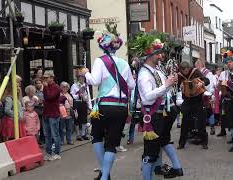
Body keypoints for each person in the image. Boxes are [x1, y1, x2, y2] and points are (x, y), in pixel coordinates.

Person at [83, 23, 135, 180]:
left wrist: (86, 73)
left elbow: (95, 81)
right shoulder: (125, 63)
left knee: (97, 137)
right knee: (112, 143)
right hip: (120, 108)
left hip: (103, 107)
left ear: (102, 46)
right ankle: (104, 176)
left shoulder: (100, 61)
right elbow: (132, 85)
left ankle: (104, 174)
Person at [134, 35, 182, 179]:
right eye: (157, 53)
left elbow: (162, 92)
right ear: (149, 55)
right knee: (150, 152)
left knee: (154, 149)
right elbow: (147, 97)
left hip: (160, 114)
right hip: (151, 116)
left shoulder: (156, 71)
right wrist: (167, 85)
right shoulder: (144, 74)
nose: (160, 56)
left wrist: (170, 83)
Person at [177, 61, 209, 150]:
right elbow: (177, 86)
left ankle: (204, 142)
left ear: (189, 68)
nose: (186, 73)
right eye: (184, 72)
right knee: (185, 122)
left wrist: (201, 83)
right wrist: (180, 87)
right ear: (181, 70)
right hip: (187, 100)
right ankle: (181, 143)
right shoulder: (180, 75)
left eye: (187, 71)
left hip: (198, 100)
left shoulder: (195, 71)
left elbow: (207, 80)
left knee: (201, 121)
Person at [42, 71, 61, 161]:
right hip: (46, 113)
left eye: (46, 78)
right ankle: (48, 153)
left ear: (52, 77)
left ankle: (57, 153)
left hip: (53, 114)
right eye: (44, 78)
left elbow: (49, 97)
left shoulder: (56, 87)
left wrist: (45, 87)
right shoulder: (46, 87)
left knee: (55, 135)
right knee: (47, 135)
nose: (44, 80)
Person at [194, 59, 216, 135]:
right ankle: (204, 128)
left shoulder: (207, 73)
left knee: (209, 111)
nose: (195, 67)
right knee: (207, 111)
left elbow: (210, 84)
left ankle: (211, 127)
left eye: (196, 66)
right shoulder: (200, 72)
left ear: (199, 65)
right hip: (202, 93)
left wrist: (208, 93)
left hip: (206, 94)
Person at [70, 70, 92, 141]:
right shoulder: (74, 85)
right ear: (77, 78)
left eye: (82, 77)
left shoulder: (86, 85)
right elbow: (72, 95)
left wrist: (89, 106)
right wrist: (78, 95)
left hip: (84, 103)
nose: (81, 78)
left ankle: (83, 134)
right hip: (77, 103)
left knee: (84, 119)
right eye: (79, 77)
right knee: (77, 119)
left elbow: (88, 96)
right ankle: (78, 135)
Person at [34, 78, 45, 144]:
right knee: (38, 125)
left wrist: (42, 102)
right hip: (36, 108)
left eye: (39, 83)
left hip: (43, 108)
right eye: (37, 83)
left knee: (43, 125)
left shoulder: (44, 91)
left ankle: (43, 138)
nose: (38, 84)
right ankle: (39, 139)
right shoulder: (34, 91)